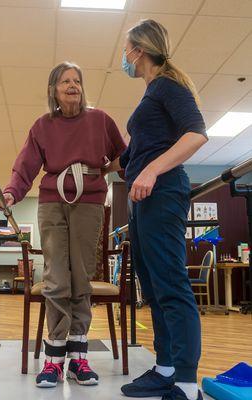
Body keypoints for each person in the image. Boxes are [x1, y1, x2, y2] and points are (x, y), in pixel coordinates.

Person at [0, 62, 126, 389]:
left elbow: (125, 156)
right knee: (57, 276)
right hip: (52, 201)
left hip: (90, 201)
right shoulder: (43, 126)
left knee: (81, 276)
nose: (73, 85)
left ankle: (78, 358)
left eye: (77, 80)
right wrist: (12, 193)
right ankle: (54, 360)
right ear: (54, 89)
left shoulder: (100, 121)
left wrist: (118, 169)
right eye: (65, 81)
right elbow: (24, 167)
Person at [105, 19, 208, 400]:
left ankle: (185, 382)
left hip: (162, 190)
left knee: (171, 285)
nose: (125, 57)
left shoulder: (167, 84)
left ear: (139, 50)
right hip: (142, 197)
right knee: (152, 284)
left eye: (126, 49)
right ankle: (165, 367)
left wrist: (150, 169)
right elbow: (130, 155)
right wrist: (103, 165)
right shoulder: (151, 94)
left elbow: (196, 133)